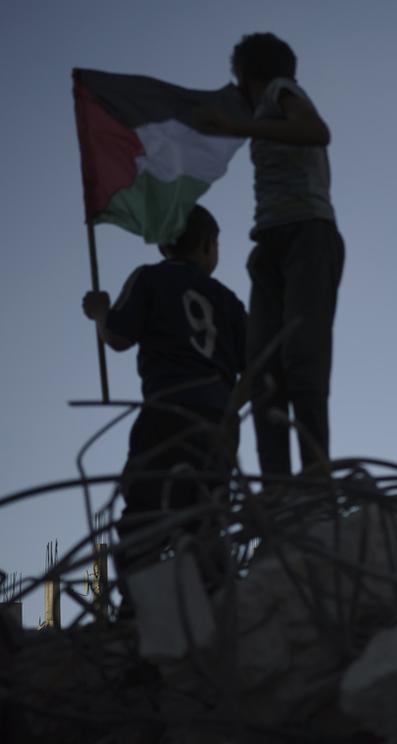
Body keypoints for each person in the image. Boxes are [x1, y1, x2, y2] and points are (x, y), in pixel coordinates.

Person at [198, 33, 343, 478]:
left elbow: (317, 132)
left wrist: (239, 128)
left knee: (302, 359)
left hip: (307, 234)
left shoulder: (283, 93)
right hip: (271, 243)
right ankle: (278, 491)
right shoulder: (264, 107)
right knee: (264, 370)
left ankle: (315, 482)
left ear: (246, 73)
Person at [81, 205, 246, 579]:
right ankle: (213, 598)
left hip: (167, 411)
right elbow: (257, 368)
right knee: (206, 515)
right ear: (208, 245)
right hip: (218, 422)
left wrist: (100, 313)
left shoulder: (149, 278)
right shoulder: (230, 301)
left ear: (163, 247)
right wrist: (229, 408)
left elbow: (118, 336)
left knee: (146, 512)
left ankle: (138, 611)